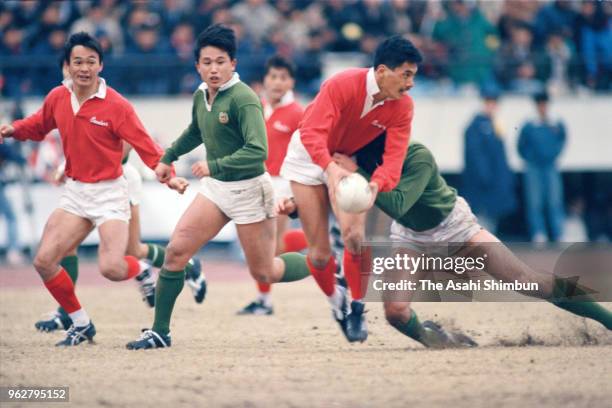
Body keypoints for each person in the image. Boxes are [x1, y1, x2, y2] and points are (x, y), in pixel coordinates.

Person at [125, 24, 313, 350]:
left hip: (251, 190)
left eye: (221, 61)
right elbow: (196, 131)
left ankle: (322, 261)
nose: (214, 68)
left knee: (265, 271)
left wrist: (214, 164)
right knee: (176, 252)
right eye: (207, 62)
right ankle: (160, 332)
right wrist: (167, 157)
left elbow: (259, 151)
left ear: (233, 63)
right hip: (216, 190)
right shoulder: (201, 95)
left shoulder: (245, 99)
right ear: (197, 65)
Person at [328, 134, 611, 348]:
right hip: (411, 235)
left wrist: (358, 172)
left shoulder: (416, 154)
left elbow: (399, 204)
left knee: (528, 281)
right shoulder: (357, 160)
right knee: (395, 312)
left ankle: (608, 319)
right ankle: (442, 342)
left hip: (455, 227)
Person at [0, 32, 185, 347]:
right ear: (68, 66)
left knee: (112, 268)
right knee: (44, 261)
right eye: (77, 62)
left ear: (101, 65)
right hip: (75, 193)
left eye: (90, 61)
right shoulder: (58, 97)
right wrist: (13, 129)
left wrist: (170, 176)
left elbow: (146, 145)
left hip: (110, 193)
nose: (83, 68)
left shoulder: (117, 105)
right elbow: (39, 124)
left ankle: (140, 269)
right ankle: (81, 323)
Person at [279, 35, 422, 342]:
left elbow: (393, 162)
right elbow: (313, 135)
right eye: (406, 75)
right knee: (318, 256)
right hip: (308, 156)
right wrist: (329, 170)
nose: (410, 83)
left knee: (355, 237)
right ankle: (338, 304)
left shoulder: (403, 107)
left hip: (346, 161)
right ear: (383, 71)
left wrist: (374, 186)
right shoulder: (341, 84)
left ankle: (357, 306)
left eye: (414, 76)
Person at [34, 144, 207, 333]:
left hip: (117, 181)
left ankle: (186, 267)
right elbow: (79, 139)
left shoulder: (119, 114)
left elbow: (121, 148)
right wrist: (66, 166)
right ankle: (67, 312)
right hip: (86, 181)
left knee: (132, 251)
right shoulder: (78, 113)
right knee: (66, 247)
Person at [237, 55, 307, 316]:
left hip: (282, 184)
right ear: (264, 80)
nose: (278, 82)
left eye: (283, 77)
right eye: (273, 76)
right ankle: (321, 242)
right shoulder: (256, 106)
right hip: (255, 181)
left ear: (292, 82)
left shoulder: (298, 113)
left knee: (271, 247)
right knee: (264, 247)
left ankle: (264, 301)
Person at [461, 87, 517, 235]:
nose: (492, 106)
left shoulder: (496, 124)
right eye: (489, 102)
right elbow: (475, 156)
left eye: (494, 102)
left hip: (495, 185)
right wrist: (485, 177)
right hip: (483, 186)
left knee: (492, 223)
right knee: (482, 223)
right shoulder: (475, 126)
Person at [518, 91, 566, 242]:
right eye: (539, 104)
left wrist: (553, 154)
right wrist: (531, 158)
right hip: (533, 167)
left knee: (554, 200)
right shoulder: (529, 125)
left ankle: (557, 233)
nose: (542, 107)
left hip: (550, 166)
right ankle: (539, 232)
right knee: (535, 201)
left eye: (544, 103)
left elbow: (562, 140)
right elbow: (520, 146)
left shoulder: (555, 123)